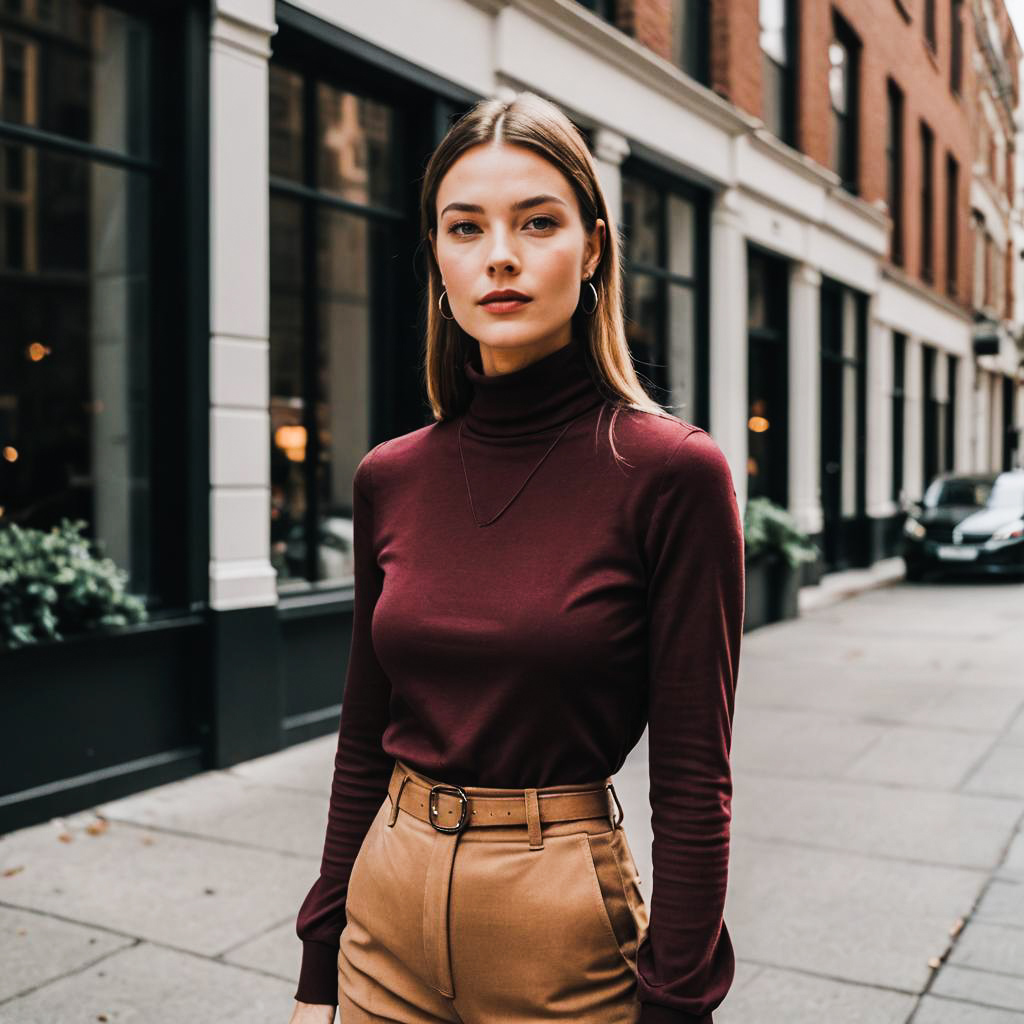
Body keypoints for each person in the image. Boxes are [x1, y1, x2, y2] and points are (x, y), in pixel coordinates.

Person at [288, 90, 744, 1024]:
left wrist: (677, 1002)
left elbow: (696, 779)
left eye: (537, 222)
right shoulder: (392, 476)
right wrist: (319, 964)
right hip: (386, 910)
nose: (500, 253)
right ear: (440, 263)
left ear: (593, 248)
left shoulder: (670, 472)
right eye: (466, 227)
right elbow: (362, 738)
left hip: (561, 928)